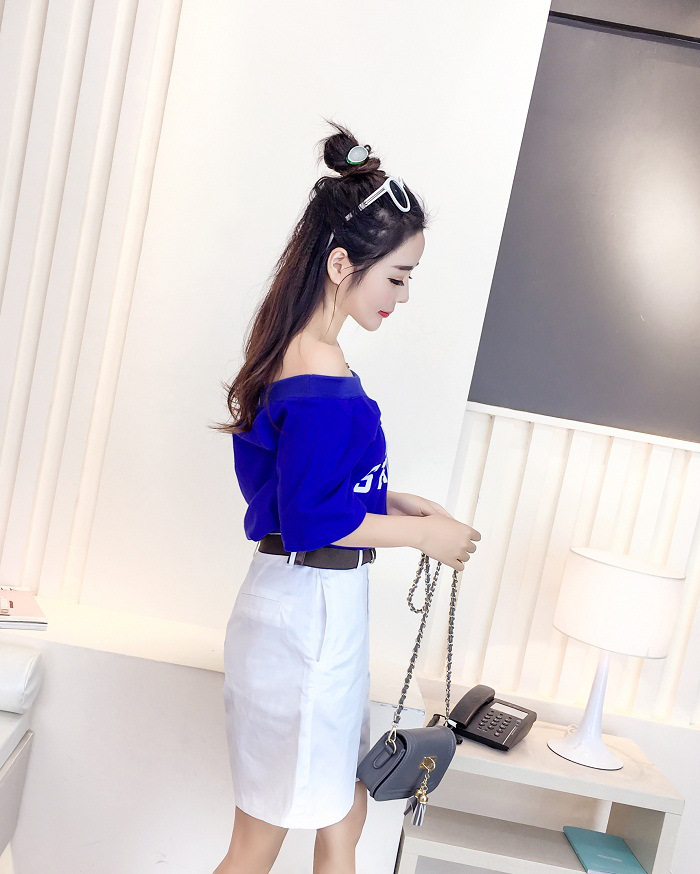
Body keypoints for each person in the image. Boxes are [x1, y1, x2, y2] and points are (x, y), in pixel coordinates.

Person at [209, 120, 481, 874]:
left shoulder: (299, 352)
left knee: (343, 813)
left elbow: (313, 489)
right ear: (341, 265)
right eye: (396, 276)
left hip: (308, 613)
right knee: (265, 839)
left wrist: (398, 504)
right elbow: (310, 518)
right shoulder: (319, 372)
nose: (403, 295)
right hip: (307, 618)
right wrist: (422, 537)